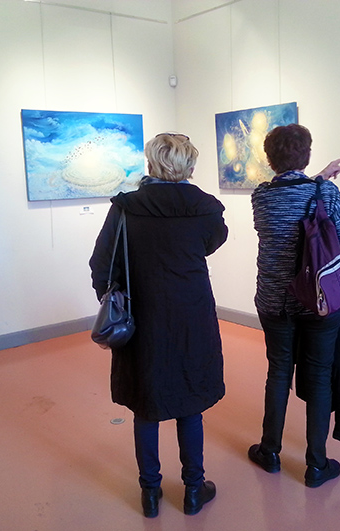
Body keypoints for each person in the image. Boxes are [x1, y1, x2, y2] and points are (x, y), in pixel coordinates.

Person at [89, 133, 228, 517]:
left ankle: (150, 494)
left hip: (143, 317)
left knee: (146, 407)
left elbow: (102, 264)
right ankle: (194, 489)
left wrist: (113, 297)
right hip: (191, 317)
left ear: (150, 164)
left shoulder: (127, 207)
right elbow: (212, 242)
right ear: (190, 167)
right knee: (190, 405)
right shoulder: (206, 208)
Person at [247, 123, 340, 488]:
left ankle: (270, 450)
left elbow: (289, 195)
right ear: (308, 154)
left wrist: (318, 180)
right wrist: (323, 183)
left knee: (278, 372)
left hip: (274, 301)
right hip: (319, 303)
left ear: (269, 159)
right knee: (319, 375)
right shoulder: (326, 195)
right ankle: (316, 465)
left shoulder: (260, 196)